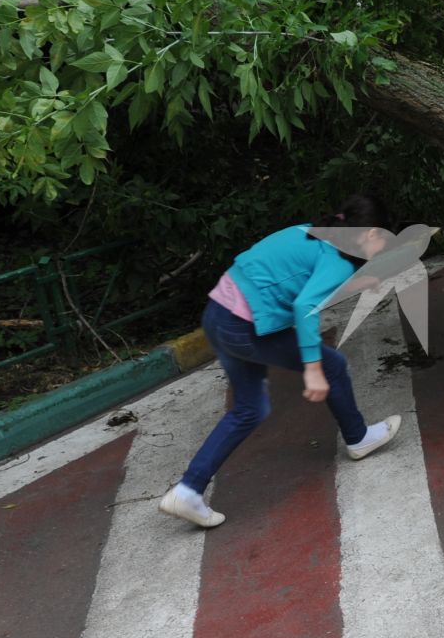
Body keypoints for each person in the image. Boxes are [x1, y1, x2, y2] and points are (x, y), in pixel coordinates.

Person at [159, 194, 403, 528]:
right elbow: (305, 306)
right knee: (330, 365)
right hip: (243, 326)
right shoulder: (339, 262)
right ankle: (358, 437)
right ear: (372, 234)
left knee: (248, 408)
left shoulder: (312, 232)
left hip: (218, 314)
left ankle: (188, 491)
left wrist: (359, 282)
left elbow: (297, 277)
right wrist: (313, 370)